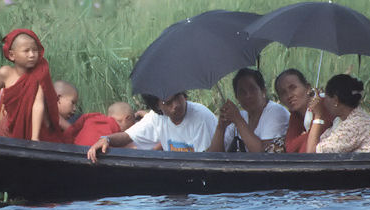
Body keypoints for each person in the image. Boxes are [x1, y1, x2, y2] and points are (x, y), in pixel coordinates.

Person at [0, 28, 64, 145]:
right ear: (12, 55)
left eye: (35, 50)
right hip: (11, 126)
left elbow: (38, 104)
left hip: (37, 128)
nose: (32, 55)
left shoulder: (40, 72)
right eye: (26, 51)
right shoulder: (5, 73)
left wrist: (34, 139)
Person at [86, 92, 217, 162]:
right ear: (158, 106)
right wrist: (106, 139)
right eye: (168, 102)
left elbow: (206, 162)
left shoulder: (201, 117)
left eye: (178, 97)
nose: (176, 105)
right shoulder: (157, 117)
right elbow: (127, 136)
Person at [306, 74, 370, 153]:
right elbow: (322, 143)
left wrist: (318, 116)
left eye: (326, 97)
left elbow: (312, 153)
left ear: (335, 100)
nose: (324, 102)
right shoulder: (353, 119)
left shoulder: (353, 125)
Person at [208, 68, 289, 152]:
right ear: (236, 97)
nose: (248, 95)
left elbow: (264, 155)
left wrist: (238, 120)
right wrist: (221, 127)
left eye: (252, 89)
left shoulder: (276, 113)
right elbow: (213, 154)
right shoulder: (242, 115)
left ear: (263, 91)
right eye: (242, 92)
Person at [267, 68, 335, 153]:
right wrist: (308, 135)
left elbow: (309, 146)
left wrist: (304, 136)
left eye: (293, 88)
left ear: (308, 88)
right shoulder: (296, 113)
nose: (289, 95)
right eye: (283, 93)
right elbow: (290, 147)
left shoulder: (323, 104)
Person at [65, 101, 137, 147]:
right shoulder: (116, 130)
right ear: (127, 118)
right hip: (93, 155)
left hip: (75, 150)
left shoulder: (93, 116)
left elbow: (73, 129)